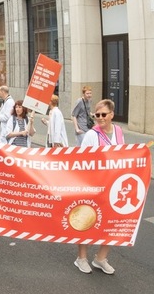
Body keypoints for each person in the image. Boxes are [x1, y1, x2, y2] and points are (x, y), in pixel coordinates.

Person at [74, 99, 121, 275]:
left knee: (112, 223)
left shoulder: (118, 131)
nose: (99, 118)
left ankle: (100, 258)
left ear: (111, 115)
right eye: (97, 115)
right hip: (92, 186)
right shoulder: (91, 135)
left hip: (112, 186)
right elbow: (82, 161)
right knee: (87, 221)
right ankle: (81, 258)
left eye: (103, 115)